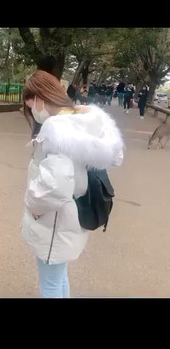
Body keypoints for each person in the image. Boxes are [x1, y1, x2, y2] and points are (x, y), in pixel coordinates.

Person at [22, 70, 123, 298]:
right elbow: (115, 156)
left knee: (50, 284)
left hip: (54, 222)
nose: (32, 112)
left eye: (30, 106)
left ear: (39, 98)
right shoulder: (87, 119)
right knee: (58, 277)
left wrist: (32, 205)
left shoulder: (55, 128)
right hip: (74, 214)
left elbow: (54, 186)